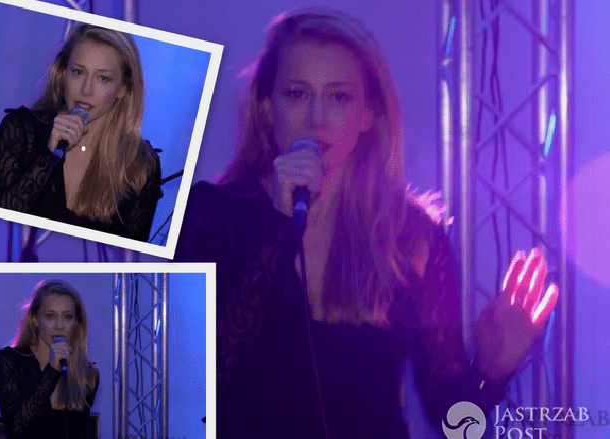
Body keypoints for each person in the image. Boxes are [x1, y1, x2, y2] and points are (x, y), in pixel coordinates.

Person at [174, 7, 560, 438]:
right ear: (267, 108)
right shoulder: (210, 215)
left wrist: (491, 371)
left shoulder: (411, 237)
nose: (317, 119)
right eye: (297, 94)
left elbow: (452, 421)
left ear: (367, 115)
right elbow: (195, 382)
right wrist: (277, 227)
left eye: (339, 97)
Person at [0, 24, 162, 242]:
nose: (86, 90)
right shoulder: (21, 129)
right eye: (78, 72)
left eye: (103, 78)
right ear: (63, 74)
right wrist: (47, 156)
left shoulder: (140, 163)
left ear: (123, 88)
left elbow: (130, 253)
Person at [0, 280, 100, 439]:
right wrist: (52, 371)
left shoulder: (87, 374)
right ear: (35, 320)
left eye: (67, 317)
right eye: (50, 316)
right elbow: (16, 428)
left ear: (76, 323)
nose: (59, 325)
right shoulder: (10, 362)